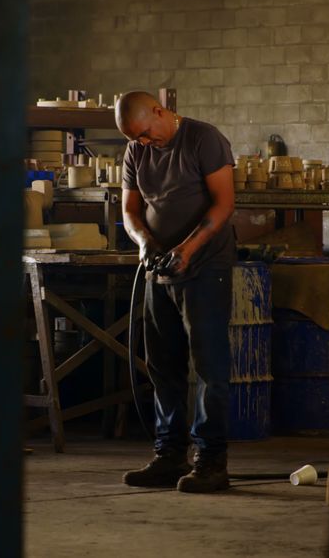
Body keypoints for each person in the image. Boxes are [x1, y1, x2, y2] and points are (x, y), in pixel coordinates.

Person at [115, 90, 236, 493]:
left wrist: (187, 250)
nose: (145, 144)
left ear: (159, 111)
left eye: (148, 134)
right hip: (158, 270)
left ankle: (210, 461)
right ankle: (169, 455)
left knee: (208, 365)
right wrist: (145, 243)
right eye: (138, 140)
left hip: (205, 268)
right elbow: (130, 211)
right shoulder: (136, 151)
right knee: (162, 364)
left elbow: (223, 205)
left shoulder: (204, 139)